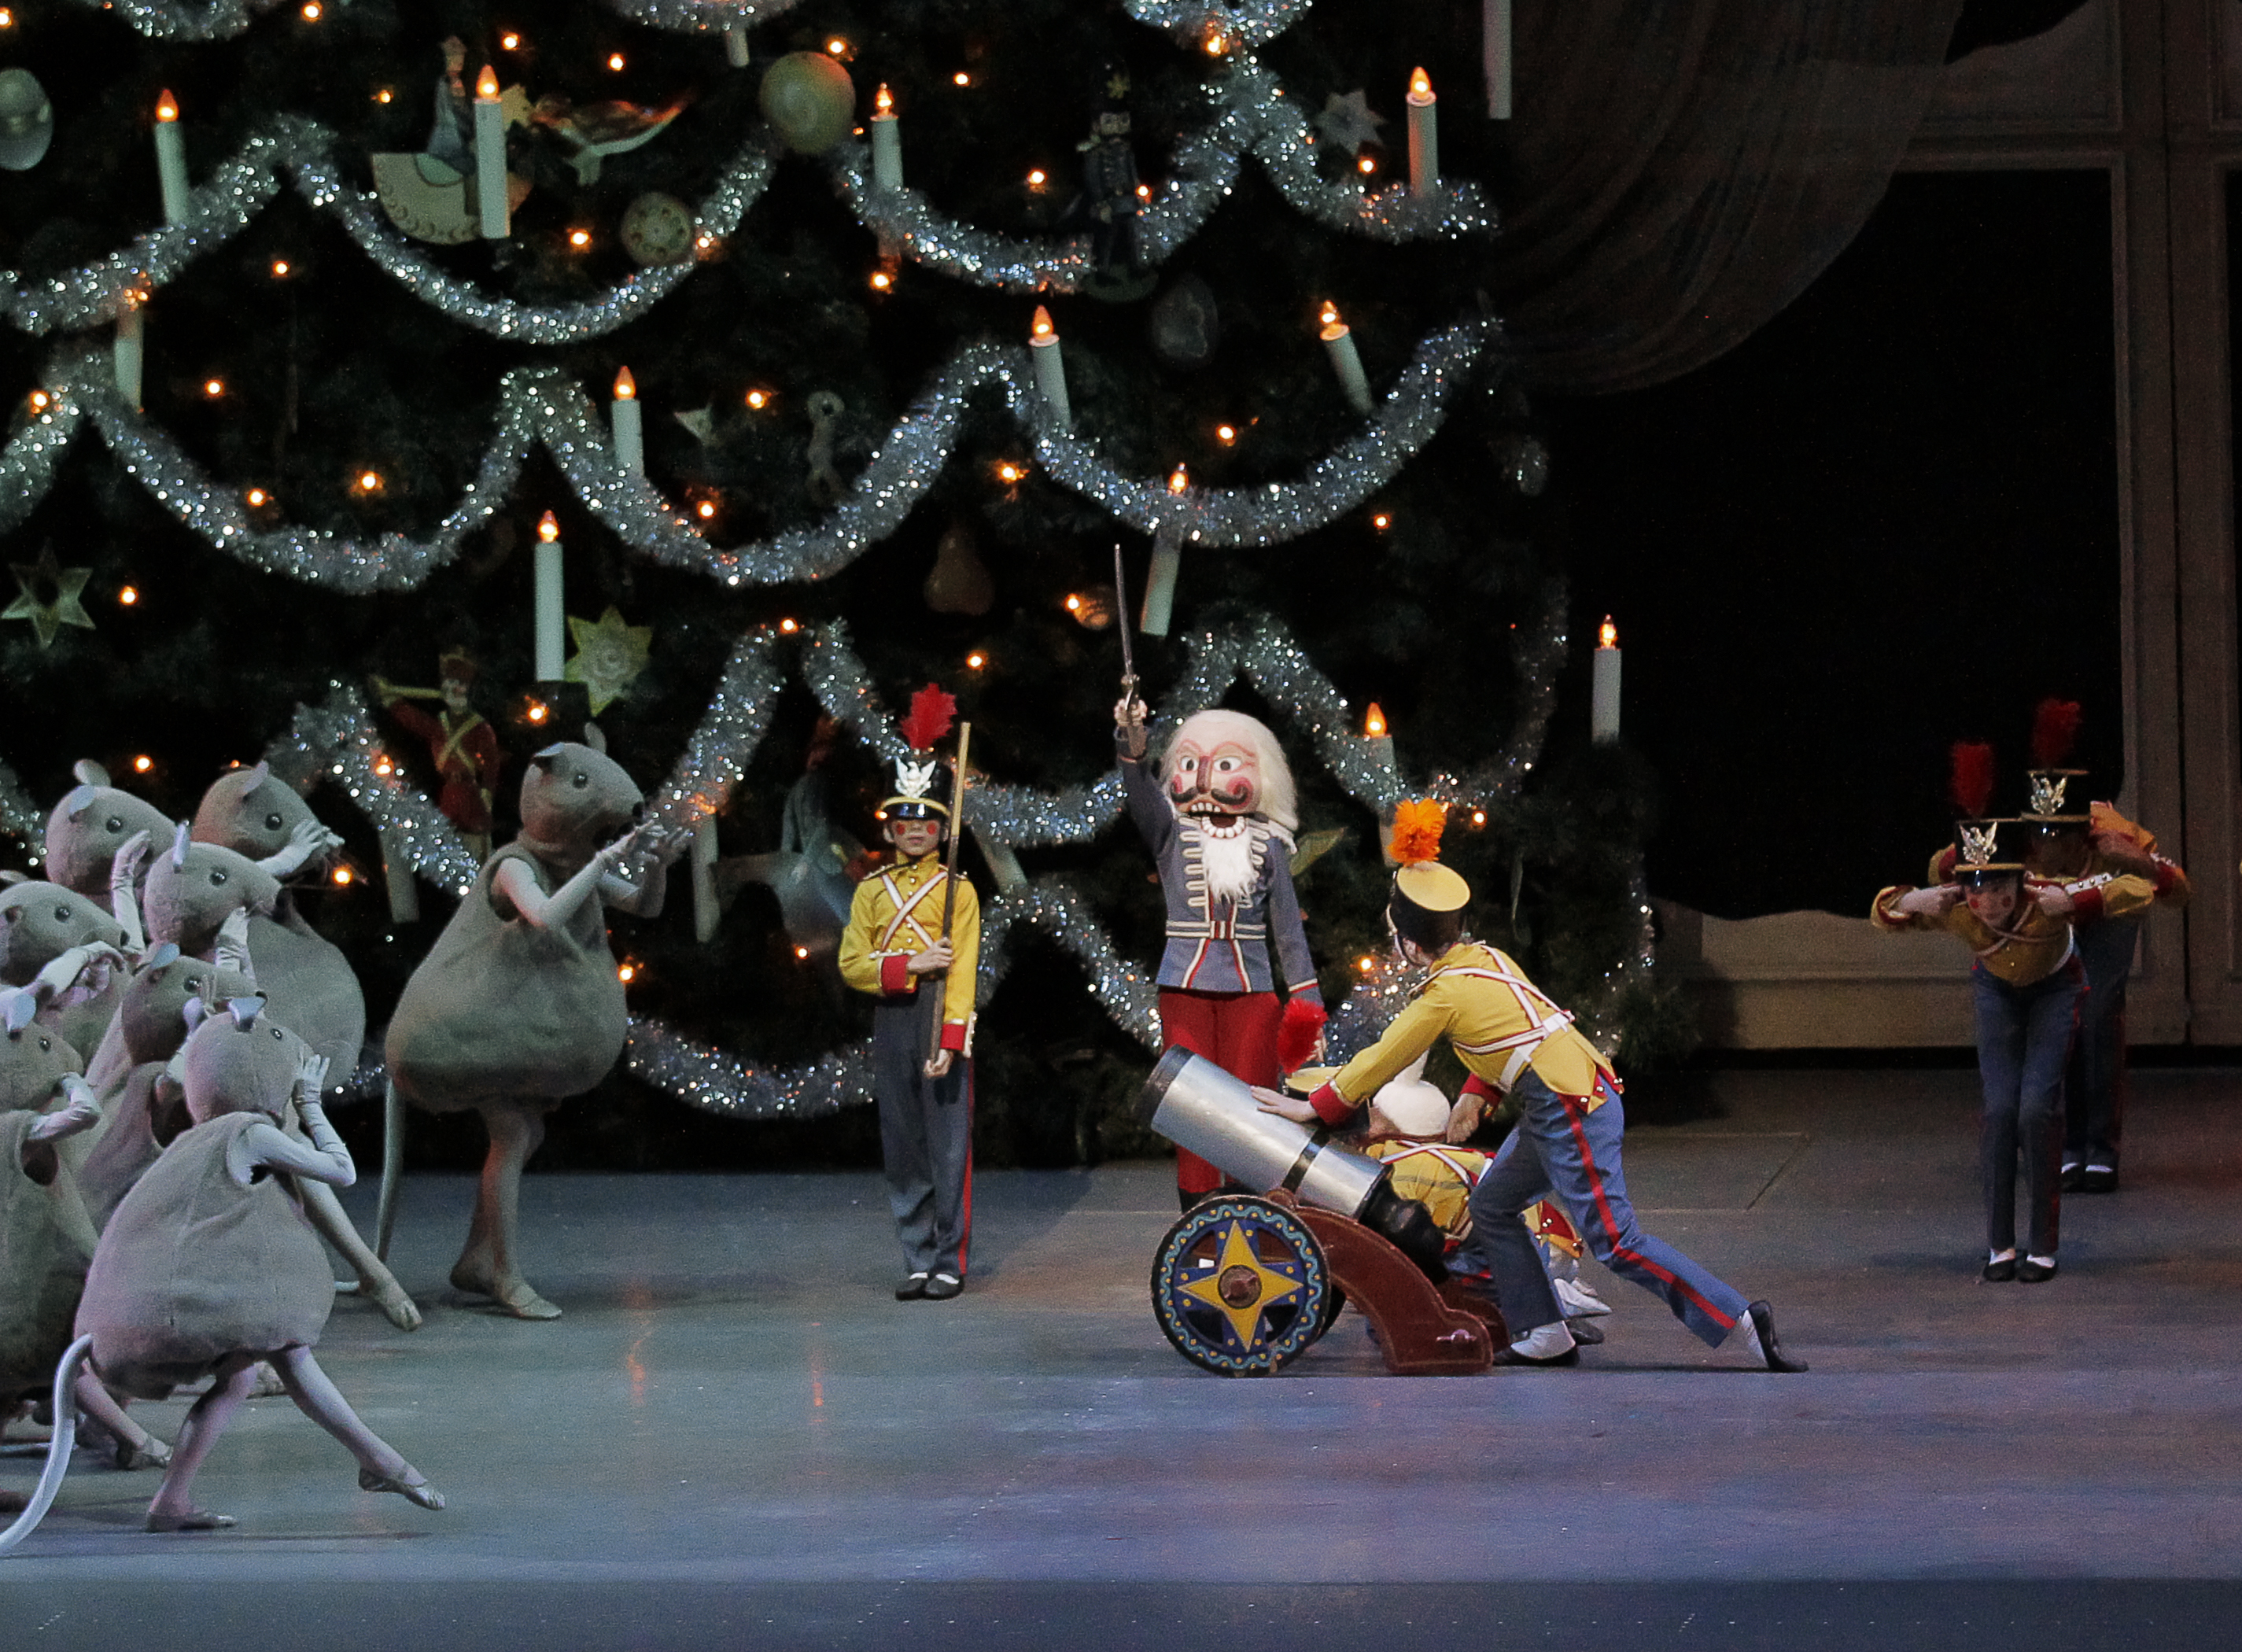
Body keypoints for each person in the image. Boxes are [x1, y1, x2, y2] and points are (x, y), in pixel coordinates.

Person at [1256, 802, 1803, 1371]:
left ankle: (1739, 1317)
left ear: (1412, 946)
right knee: (1492, 1204)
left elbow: (1380, 1059)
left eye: (1394, 936)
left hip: (1570, 1107)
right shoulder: (1484, 959)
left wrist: (1314, 1107)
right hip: (1558, 1099)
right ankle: (1543, 1331)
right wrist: (1477, 1093)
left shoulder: (1441, 996)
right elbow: (1519, 1028)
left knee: (1616, 1241)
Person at [76, 1001, 441, 1530]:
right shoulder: (249, 1133)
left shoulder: (194, 1139)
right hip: (178, 1309)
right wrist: (310, 1106)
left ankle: (172, 1501)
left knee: (239, 1378)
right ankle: (379, 1460)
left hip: (136, 1312)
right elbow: (341, 1172)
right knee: (288, 1349)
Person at [1875, 814, 2148, 1281]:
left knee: (2037, 1109)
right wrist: (1914, 901)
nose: (1987, 902)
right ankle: (1999, 1245)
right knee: (2000, 1111)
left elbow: (2138, 889)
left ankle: (2042, 1245)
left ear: (2020, 881)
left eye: (2000, 888)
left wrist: (2076, 899)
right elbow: (1883, 910)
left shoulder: (2044, 898)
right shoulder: (1956, 908)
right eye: (1976, 888)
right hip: (1997, 994)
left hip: (2055, 991)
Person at [1115, 697, 1325, 1210]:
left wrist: (1307, 1009)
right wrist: (1131, 739)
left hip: (1251, 992)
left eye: (1227, 763)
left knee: (1254, 1104)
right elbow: (1139, 790)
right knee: (1189, 1105)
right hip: (1184, 989)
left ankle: (1251, 1212)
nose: (1208, 776)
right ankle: (1200, 1218)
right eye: (1193, 762)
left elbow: (1288, 933)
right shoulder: (1172, 831)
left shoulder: (1269, 842)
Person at [838, 691, 980, 1302]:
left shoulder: (959, 892)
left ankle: (949, 1259)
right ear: (891, 828)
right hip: (893, 1018)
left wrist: (951, 1040)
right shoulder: (872, 891)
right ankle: (917, 1257)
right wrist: (912, 965)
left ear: (942, 829)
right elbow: (852, 964)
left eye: (927, 822)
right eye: (905, 822)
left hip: (940, 1016)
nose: (916, 831)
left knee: (947, 1146)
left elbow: (964, 971)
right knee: (902, 1144)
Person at [375, 648, 504, 861]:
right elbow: (415, 721)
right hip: (449, 797)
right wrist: (392, 701)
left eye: (459, 683)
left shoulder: (480, 728)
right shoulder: (440, 725)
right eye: (449, 682)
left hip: (471, 800)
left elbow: (492, 763)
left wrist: (487, 792)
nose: (453, 688)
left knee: (475, 851)